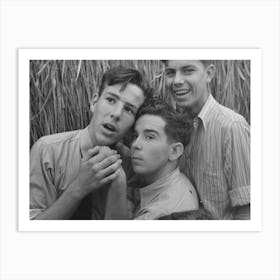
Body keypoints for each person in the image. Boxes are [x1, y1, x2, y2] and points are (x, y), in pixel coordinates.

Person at [30, 66, 150, 220]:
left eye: (129, 110)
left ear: (134, 124)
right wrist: (79, 187)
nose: (116, 114)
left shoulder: (132, 166)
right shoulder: (47, 151)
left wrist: (119, 182)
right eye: (111, 100)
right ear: (94, 102)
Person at [162, 60, 250, 220]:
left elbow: (248, 211)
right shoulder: (171, 128)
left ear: (209, 74)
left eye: (188, 71)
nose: (176, 81)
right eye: (170, 73)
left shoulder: (231, 127)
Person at [127, 99, 199, 220]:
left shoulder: (157, 215)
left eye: (149, 137)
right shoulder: (180, 180)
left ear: (174, 151)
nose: (135, 144)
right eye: (135, 136)